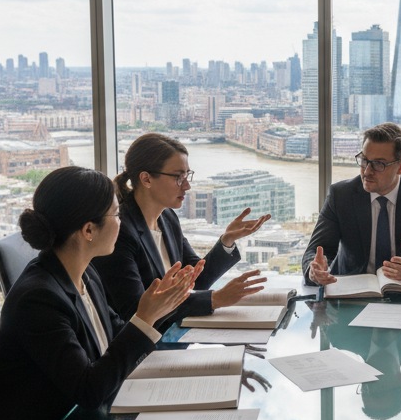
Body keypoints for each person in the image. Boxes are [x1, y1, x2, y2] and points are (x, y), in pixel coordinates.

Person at [0, 165, 197, 420]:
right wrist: (144, 319)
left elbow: (116, 334)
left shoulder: (87, 273)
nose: (122, 221)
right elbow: (88, 391)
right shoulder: (37, 299)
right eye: (117, 214)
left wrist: (161, 307)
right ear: (88, 230)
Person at [93, 133, 270, 324]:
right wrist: (215, 299)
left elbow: (196, 280)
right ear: (146, 179)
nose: (187, 186)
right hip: (142, 346)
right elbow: (136, 310)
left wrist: (227, 241)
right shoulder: (119, 231)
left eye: (187, 175)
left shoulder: (167, 218)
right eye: (178, 177)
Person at [302, 123, 401, 286]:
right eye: (364, 160)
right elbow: (315, 251)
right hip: (351, 292)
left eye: (378, 164)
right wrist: (314, 271)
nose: (367, 171)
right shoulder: (341, 195)